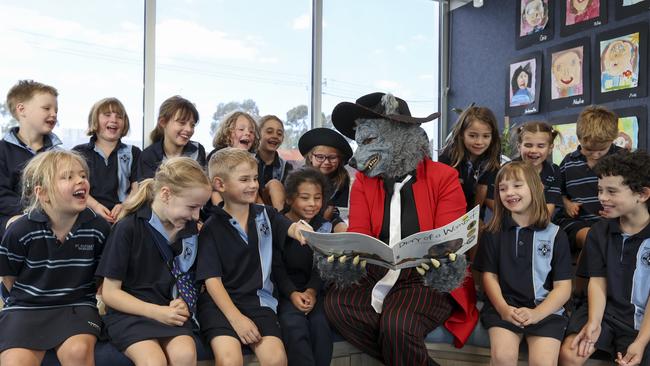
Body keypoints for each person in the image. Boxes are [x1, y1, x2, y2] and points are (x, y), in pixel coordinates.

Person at [325, 92, 479, 366]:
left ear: (402, 135)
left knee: (398, 324)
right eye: (359, 143)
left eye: (370, 141)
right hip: (378, 269)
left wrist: (442, 259)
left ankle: (400, 346)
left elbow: (449, 240)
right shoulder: (363, 180)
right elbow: (360, 233)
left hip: (425, 274)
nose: (358, 156)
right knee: (337, 305)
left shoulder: (444, 177)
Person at [196, 148, 312, 366]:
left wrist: (301, 231)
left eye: (255, 178)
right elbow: (212, 281)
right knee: (229, 360)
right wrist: (237, 320)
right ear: (220, 185)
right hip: (220, 306)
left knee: (276, 358)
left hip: (259, 302)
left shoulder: (267, 215)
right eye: (244, 179)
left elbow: (291, 228)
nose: (253, 185)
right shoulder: (210, 228)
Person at [96, 157, 212, 366]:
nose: (196, 216)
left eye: (200, 209)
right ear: (166, 194)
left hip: (169, 311)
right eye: (192, 207)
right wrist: (157, 312)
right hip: (131, 313)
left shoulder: (189, 230)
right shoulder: (128, 228)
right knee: (153, 362)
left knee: (185, 355)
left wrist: (183, 302)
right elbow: (110, 293)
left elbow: (192, 281)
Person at [0, 150, 111, 366]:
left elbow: (100, 276)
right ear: (43, 194)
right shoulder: (20, 230)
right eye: (68, 177)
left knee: (78, 352)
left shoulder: (98, 227)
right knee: (15, 362)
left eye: (83, 176)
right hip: (26, 307)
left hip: (77, 306)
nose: (80, 180)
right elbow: (8, 277)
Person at [475, 161, 572, 365]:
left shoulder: (556, 234)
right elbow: (489, 277)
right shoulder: (492, 232)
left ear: (535, 188)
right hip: (505, 307)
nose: (509, 192)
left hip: (546, 310)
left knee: (543, 362)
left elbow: (563, 288)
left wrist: (537, 313)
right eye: (502, 188)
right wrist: (503, 309)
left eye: (517, 185)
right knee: (503, 357)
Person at [559, 150, 650, 366]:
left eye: (611, 191)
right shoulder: (599, 232)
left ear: (643, 194)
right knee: (570, 354)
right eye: (600, 190)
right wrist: (594, 322)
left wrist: (641, 341)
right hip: (604, 310)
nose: (602, 198)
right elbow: (597, 281)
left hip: (641, 319)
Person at [274, 168, 334, 366]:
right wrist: (292, 293)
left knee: (321, 326)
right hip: (284, 293)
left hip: (313, 291)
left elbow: (322, 266)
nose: (312, 204)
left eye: (317, 198)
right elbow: (276, 268)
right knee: (294, 326)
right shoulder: (279, 225)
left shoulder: (324, 226)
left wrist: (312, 291)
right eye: (305, 197)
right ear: (290, 199)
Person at [555, 106, 621, 254]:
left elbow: (635, 194)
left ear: (612, 139)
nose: (596, 155)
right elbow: (557, 191)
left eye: (602, 150)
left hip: (615, 220)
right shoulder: (568, 162)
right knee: (589, 237)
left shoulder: (622, 159)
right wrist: (566, 203)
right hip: (578, 223)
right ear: (579, 139)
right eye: (589, 150)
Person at [0, 80, 62, 237]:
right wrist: (31, 213)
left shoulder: (57, 154)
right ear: (22, 110)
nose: (53, 114)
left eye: (56, 110)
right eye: (46, 108)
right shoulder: (3, 150)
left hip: (54, 219)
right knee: (16, 225)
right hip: (13, 218)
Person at [73, 97, 141, 224]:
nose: (114, 120)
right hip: (87, 215)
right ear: (95, 120)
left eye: (119, 116)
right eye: (107, 115)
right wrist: (96, 206)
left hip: (124, 217)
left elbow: (137, 188)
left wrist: (125, 207)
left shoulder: (134, 153)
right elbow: (74, 187)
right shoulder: (78, 153)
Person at [486, 121, 561, 216]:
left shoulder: (553, 171)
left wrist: (532, 222)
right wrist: (509, 217)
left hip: (539, 222)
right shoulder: (506, 170)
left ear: (550, 148)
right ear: (519, 147)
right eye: (528, 145)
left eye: (540, 146)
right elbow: (490, 197)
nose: (534, 150)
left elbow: (549, 207)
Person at [439, 105, 501, 214]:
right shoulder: (448, 156)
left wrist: (474, 217)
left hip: (473, 211)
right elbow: (444, 191)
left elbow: (482, 187)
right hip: (448, 210)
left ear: (492, 136)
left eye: (486, 136)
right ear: (462, 134)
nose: (479, 142)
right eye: (472, 136)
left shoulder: (492, 155)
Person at [137, 96, 206, 181]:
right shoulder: (148, 156)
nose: (189, 129)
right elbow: (149, 191)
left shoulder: (198, 150)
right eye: (182, 123)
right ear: (163, 122)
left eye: (192, 125)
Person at [298, 127, 352, 232]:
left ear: (339, 158)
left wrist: (323, 225)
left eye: (332, 157)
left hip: (330, 216)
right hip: (303, 214)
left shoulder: (342, 178)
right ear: (310, 157)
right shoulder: (301, 177)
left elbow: (334, 209)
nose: (326, 162)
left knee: (343, 230)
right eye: (320, 157)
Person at [256, 115, 292, 210]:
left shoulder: (286, 167)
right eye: (269, 132)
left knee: (274, 184)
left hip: (276, 208)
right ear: (258, 134)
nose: (275, 136)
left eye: (279, 134)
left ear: (283, 138)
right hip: (251, 204)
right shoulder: (247, 160)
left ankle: (280, 220)